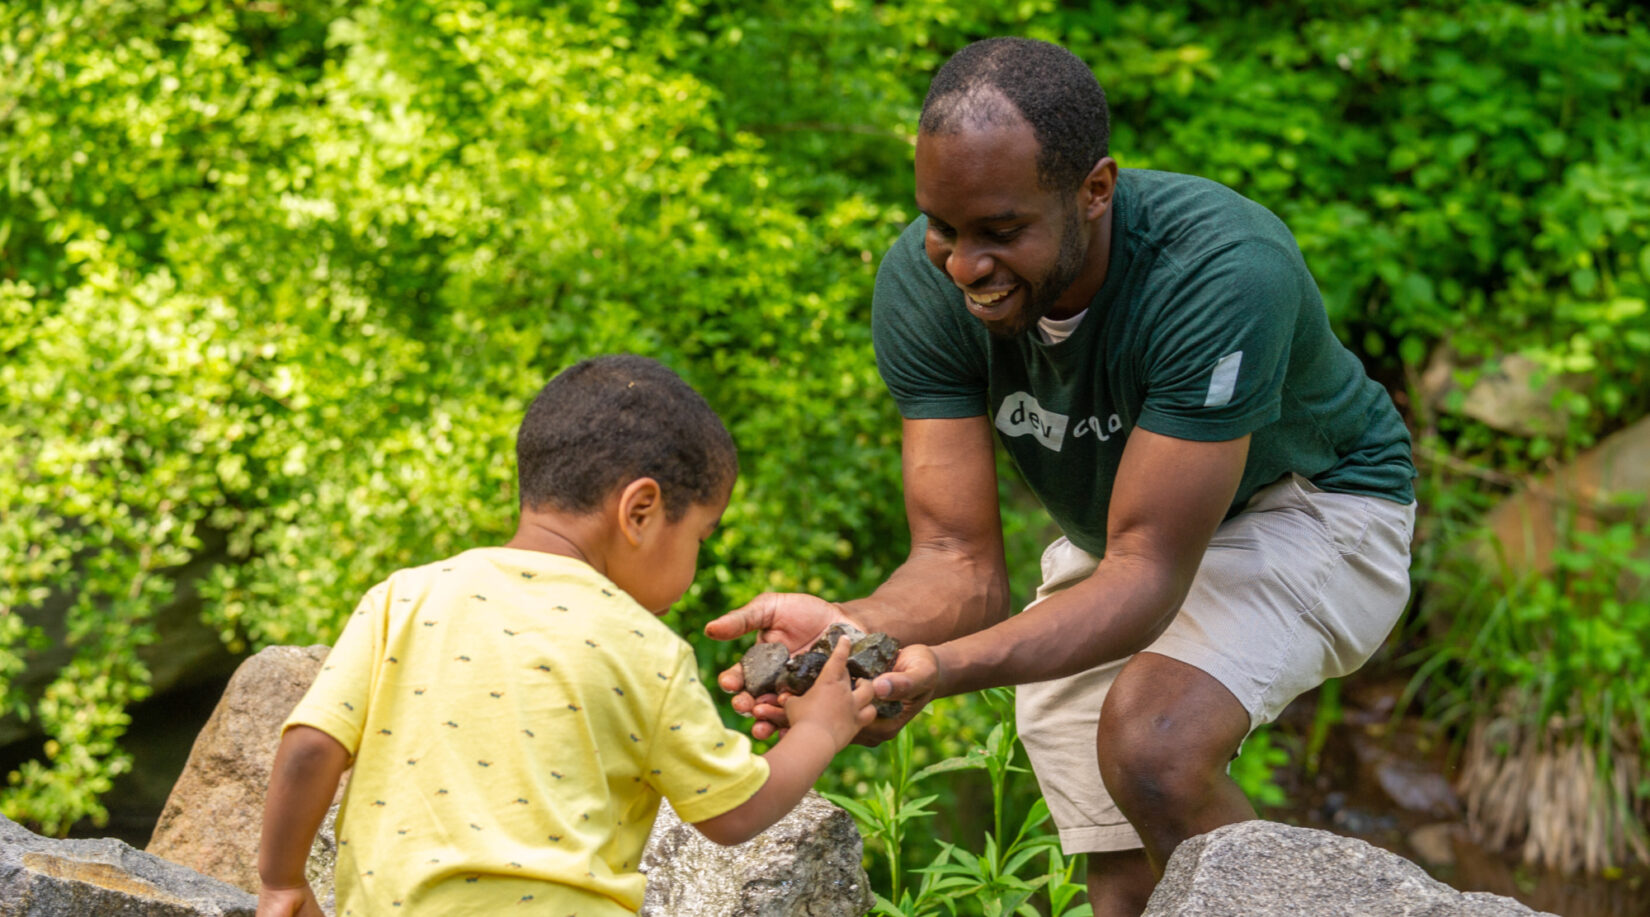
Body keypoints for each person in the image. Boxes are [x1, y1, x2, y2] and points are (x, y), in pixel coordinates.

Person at [706, 37, 1417, 917]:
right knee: (1119, 866)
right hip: (1125, 535)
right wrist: (855, 636)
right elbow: (957, 562)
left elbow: (1148, 573)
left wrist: (935, 671)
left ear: (1096, 190)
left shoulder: (1222, 271)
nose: (965, 267)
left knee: (1153, 748)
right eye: (943, 228)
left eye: (1001, 233)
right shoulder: (924, 285)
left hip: (1315, 501)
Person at [256, 355, 878, 916]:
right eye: (701, 536)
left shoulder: (405, 597)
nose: (696, 563)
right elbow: (735, 812)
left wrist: (282, 882)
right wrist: (823, 729)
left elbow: (311, 745)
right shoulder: (646, 649)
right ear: (641, 511)